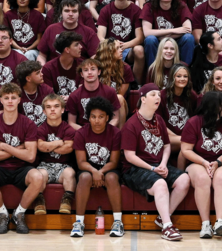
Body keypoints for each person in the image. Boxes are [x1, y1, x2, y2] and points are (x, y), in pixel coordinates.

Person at [124, 86, 190, 241]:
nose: (158, 97)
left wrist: (163, 164)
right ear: (143, 99)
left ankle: (162, 218)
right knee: (160, 184)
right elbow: (129, 156)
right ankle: (167, 227)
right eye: (153, 94)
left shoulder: (158, 119)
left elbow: (167, 145)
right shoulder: (131, 123)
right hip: (135, 169)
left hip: (157, 164)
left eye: (159, 95)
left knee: (184, 179)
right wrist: (153, 168)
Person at [0, 83, 46, 234]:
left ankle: (19, 214)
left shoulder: (28, 124)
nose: (10, 101)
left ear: (19, 100)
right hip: (0, 167)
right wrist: (19, 149)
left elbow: (30, 156)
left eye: (13, 98)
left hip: (22, 167)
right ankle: (3, 214)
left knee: (37, 176)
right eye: (6, 98)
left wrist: (4, 147)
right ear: (1, 101)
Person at [73, 98, 126, 237]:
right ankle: (79, 223)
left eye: (101, 117)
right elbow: (81, 162)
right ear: (88, 118)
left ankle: (118, 222)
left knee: (112, 177)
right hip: (88, 167)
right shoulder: (81, 133)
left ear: (107, 117)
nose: (97, 121)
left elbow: (114, 161)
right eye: (93, 117)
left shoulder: (115, 133)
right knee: (84, 177)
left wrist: (100, 171)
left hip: (108, 167)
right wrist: (94, 171)